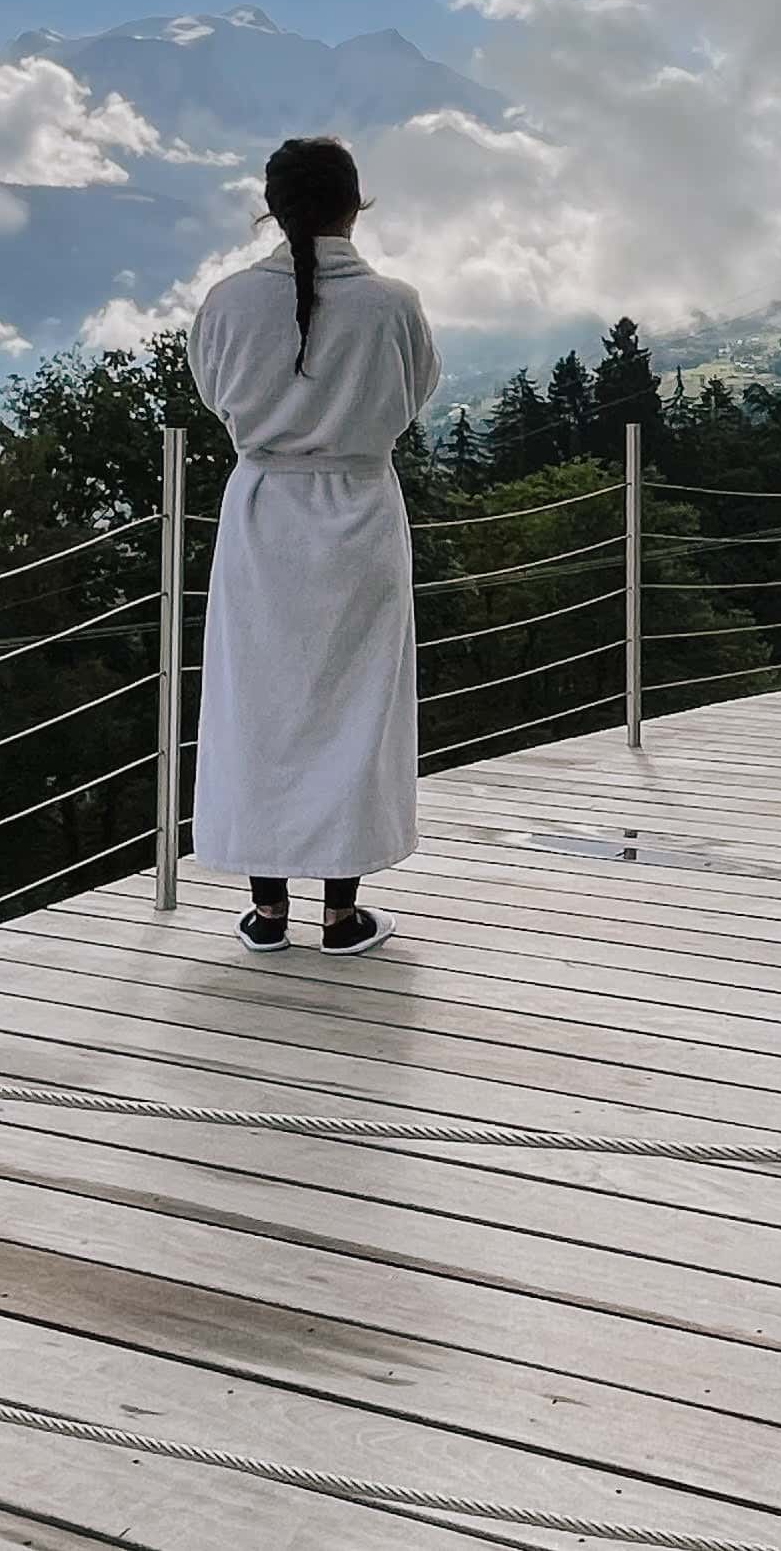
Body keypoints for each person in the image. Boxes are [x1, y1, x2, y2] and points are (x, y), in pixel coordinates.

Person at [189, 136, 440, 952]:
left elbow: (211, 388)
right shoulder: (392, 304)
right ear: (353, 204)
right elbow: (415, 391)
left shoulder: (226, 303)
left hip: (261, 513)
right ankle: (341, 910)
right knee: (355, 705)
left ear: (272, 204)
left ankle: (267, 910)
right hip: (362, 510)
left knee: (258, 705)